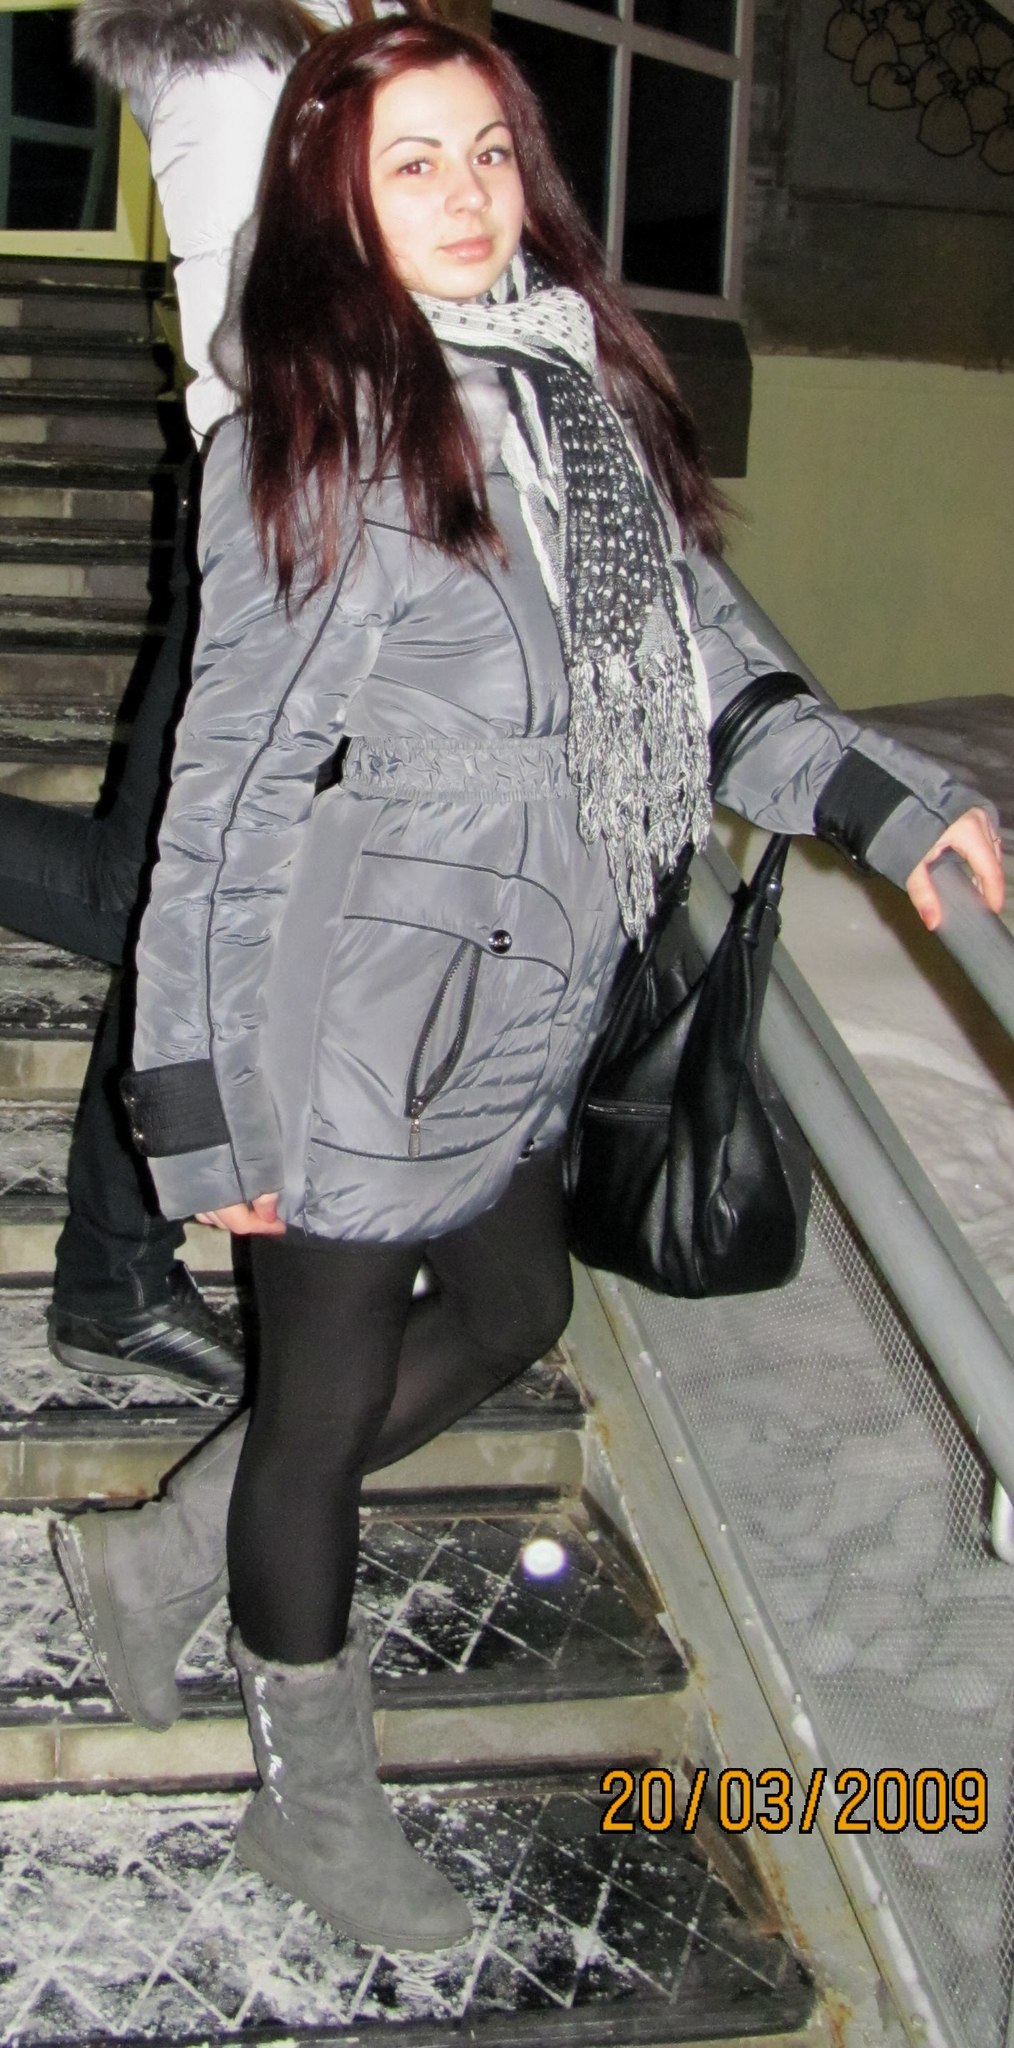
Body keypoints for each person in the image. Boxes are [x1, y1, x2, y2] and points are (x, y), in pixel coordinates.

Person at [55, 16, 1004, 1950]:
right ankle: (311, 1797)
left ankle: (157, 1559)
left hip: (517, 989)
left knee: (510, 1305)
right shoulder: (308, 432)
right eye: (412, 162)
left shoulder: (573, 397)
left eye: (488, 151)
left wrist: (896, 812)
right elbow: (222, 802)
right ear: (333, 198)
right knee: (320, 1402)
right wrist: (203, 1106)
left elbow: (715, 674)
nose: (468, 193)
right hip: (344, 1004)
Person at [0, 0, 372, 1389]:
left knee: (192, 909)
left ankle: (114, 1275)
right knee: (164, 904)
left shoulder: (354, 26)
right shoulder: (228, 52)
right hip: (290, 522)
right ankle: (113, 1274)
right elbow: (248, 330)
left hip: (340, 525)